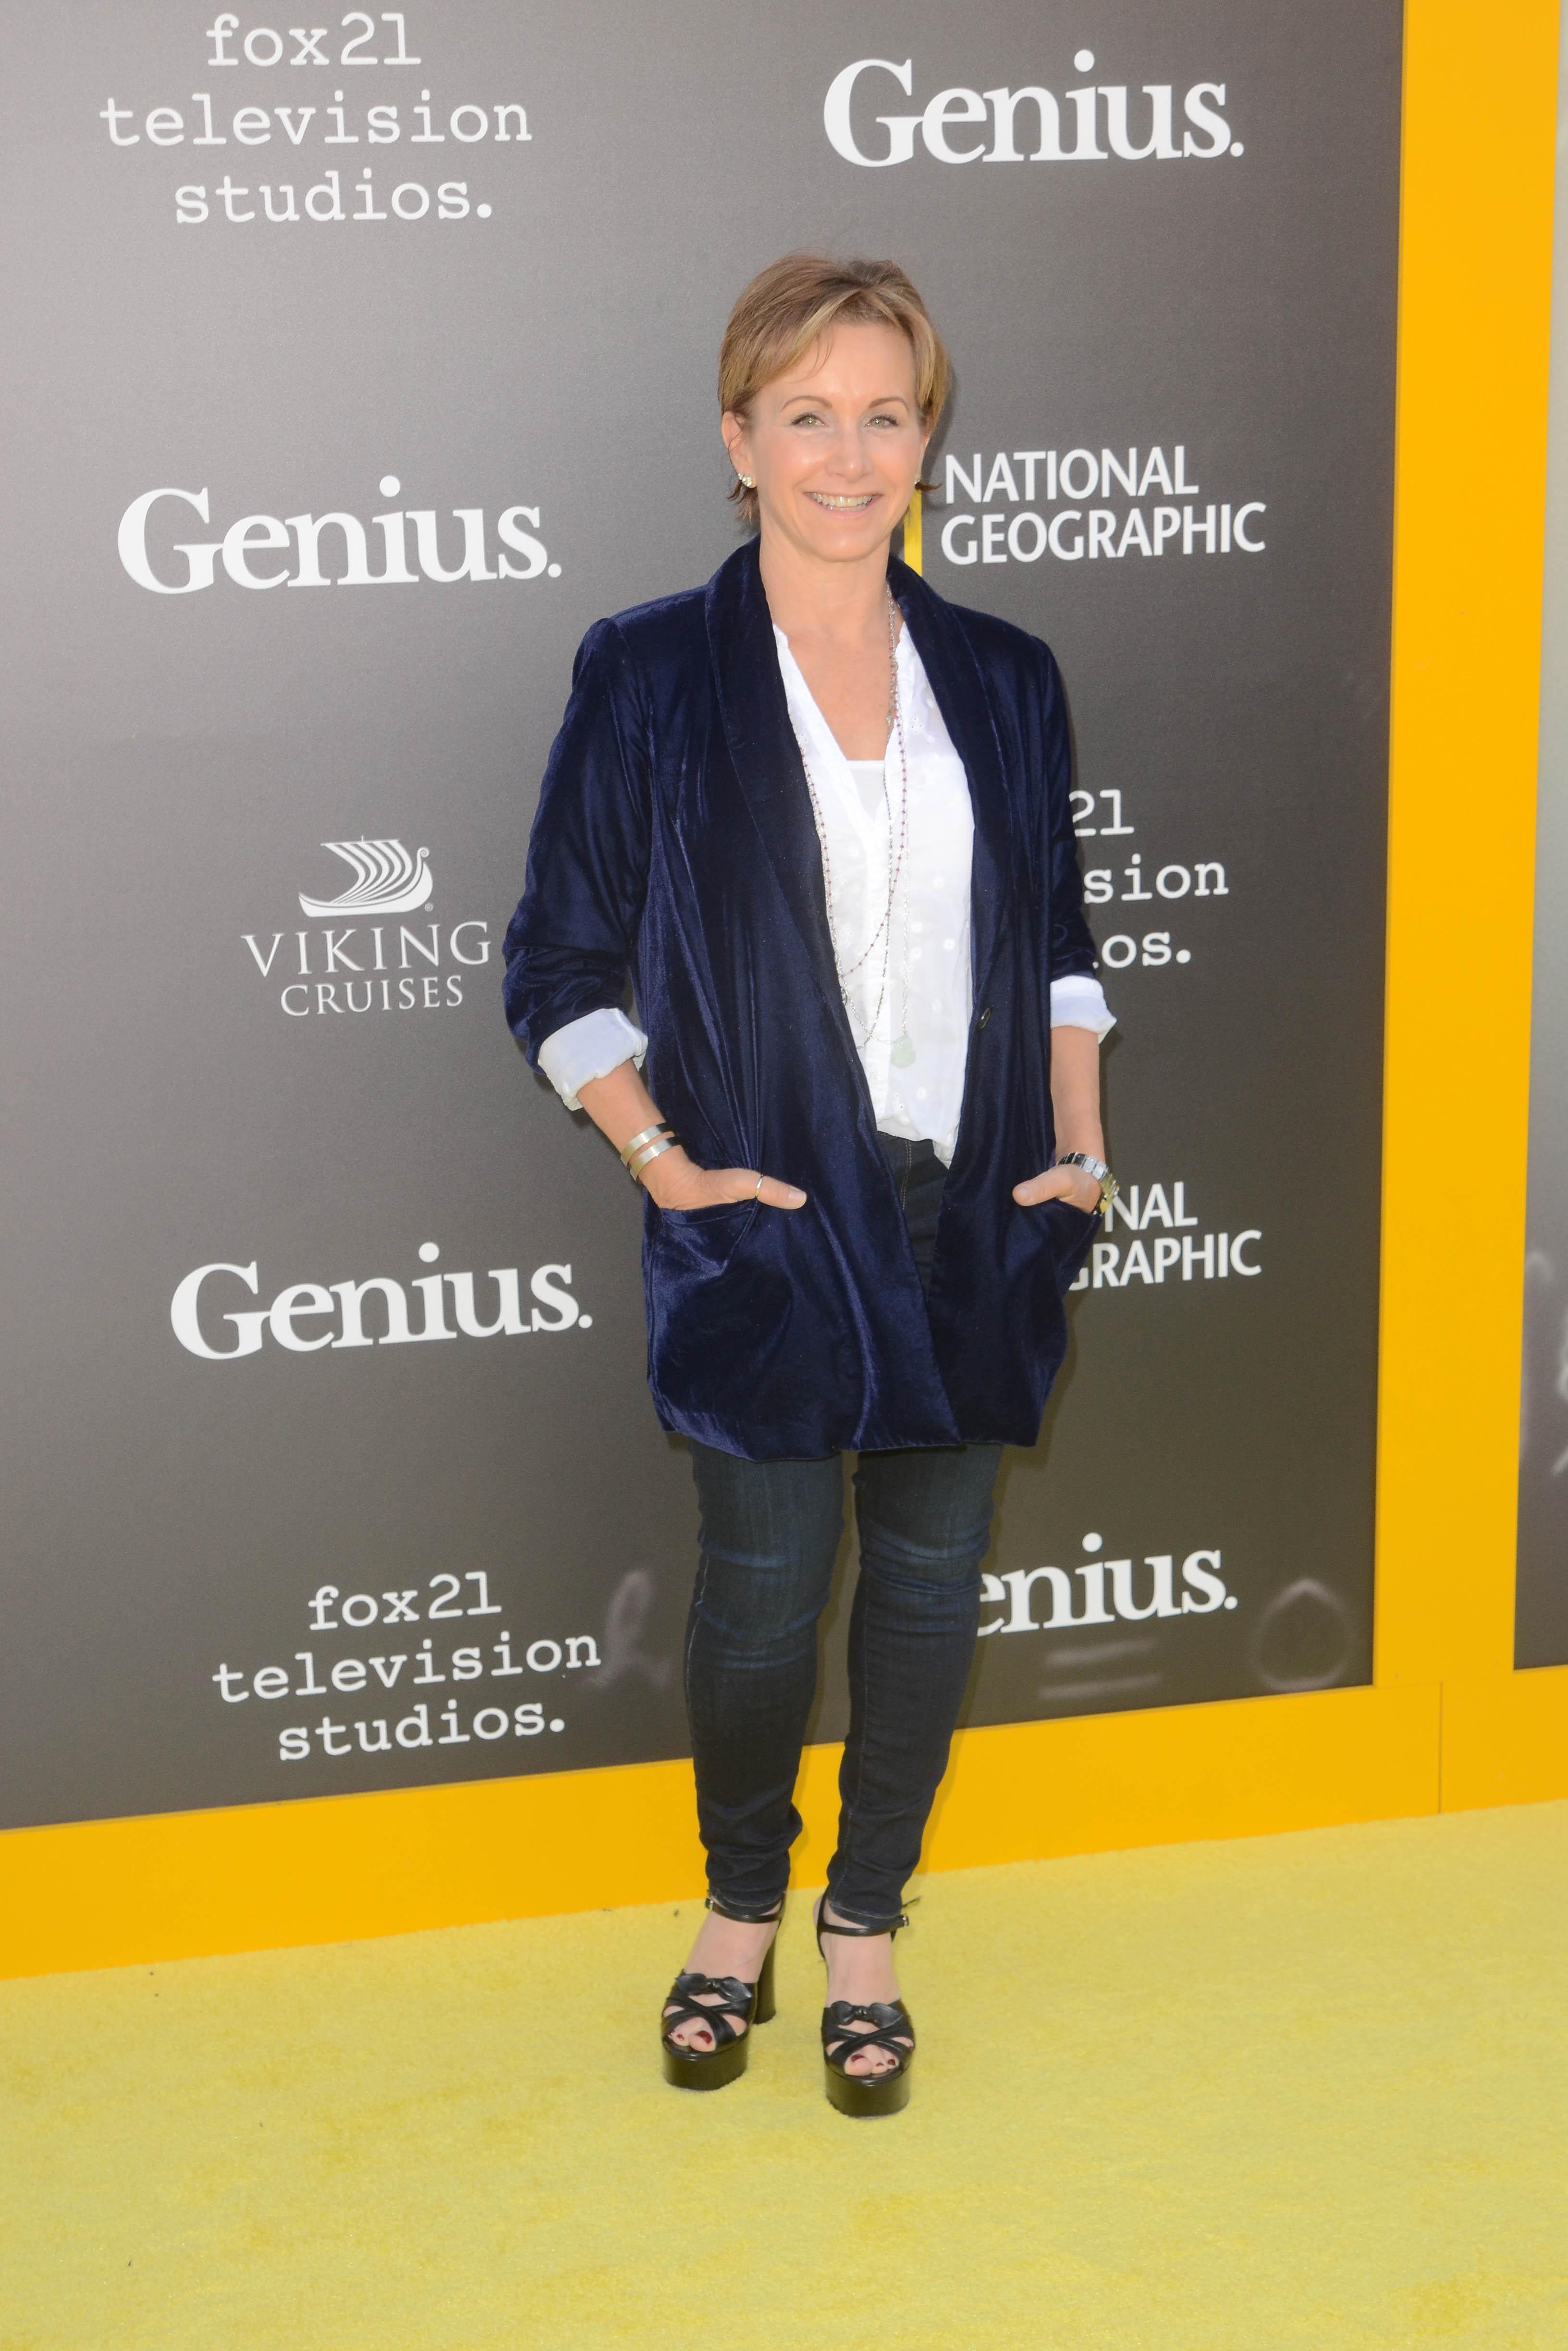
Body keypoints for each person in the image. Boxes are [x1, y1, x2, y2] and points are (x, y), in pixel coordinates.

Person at [502, 255, 1115, 2117]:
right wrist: (666, 1163)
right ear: (739, 439)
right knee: (764, 1598)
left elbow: (1062, 945)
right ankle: (740, 1905)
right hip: (767, 1212)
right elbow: (558, 958)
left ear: (927, 439)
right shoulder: (650, 669)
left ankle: (867, 1922)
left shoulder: (1004, 674)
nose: (850, 456)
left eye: (886, 415)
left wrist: (1077, 1150)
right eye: (808, 416)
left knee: (928, 1583)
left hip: (977, 1209)